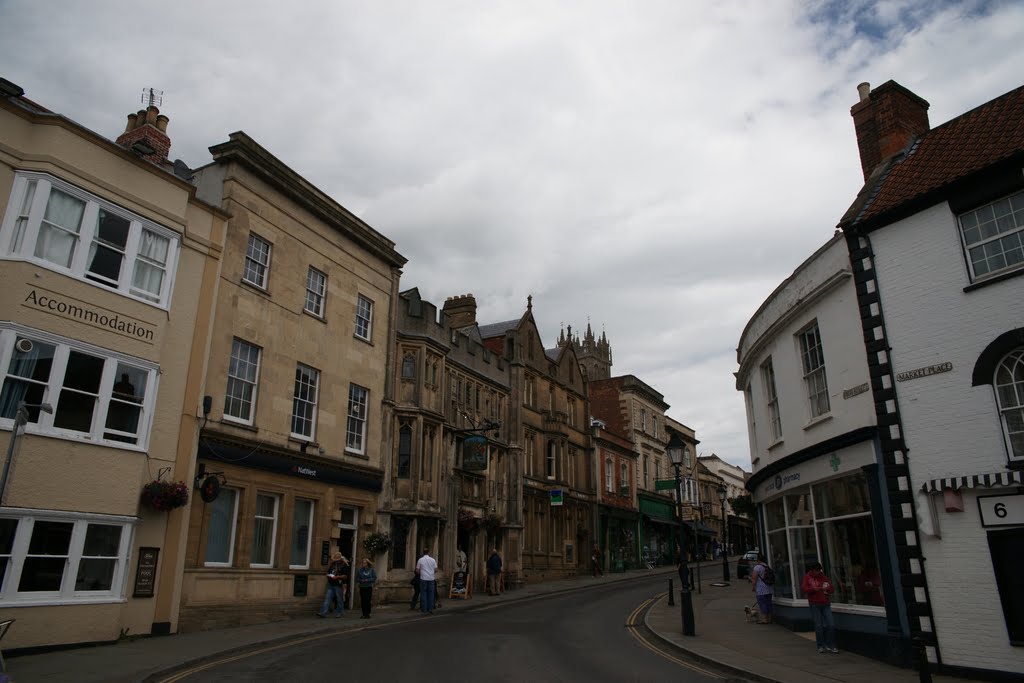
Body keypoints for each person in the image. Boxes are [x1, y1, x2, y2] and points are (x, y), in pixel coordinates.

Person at [801, 561, 838, 653]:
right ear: (812, 570)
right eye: (816, 570)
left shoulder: (824, 578)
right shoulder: (807, 577)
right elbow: (804, 589)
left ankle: (831, 645)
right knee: (819, 626)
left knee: (831, 625)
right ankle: (821, 645)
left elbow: (832, 589)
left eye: (819, 570)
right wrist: (813, 589)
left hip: (825, 603)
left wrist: (827, 588)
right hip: (814, 604)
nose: (818, 572)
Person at [317, 551, 349, 618]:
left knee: (339, 599)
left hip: (339, 584)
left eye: (337, 560)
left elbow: (345, 576)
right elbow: (328, 572)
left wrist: (337, 577)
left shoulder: (344, 565)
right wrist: (329, 575)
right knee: (327, 598)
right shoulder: (333, 564)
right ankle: (323, 612)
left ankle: (340, 612)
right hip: (331, 583)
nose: (336, 561)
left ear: (340, 559)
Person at [750, 553, 773, 624]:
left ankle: (764, 620)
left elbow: (754, 578)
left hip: (761, 590)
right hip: (769, 589)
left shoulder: (757, 567)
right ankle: (769, 619)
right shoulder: (767, 566)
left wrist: (753, 587)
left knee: (762, 604)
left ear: (758, 560)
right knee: (768, 603)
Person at [416, 547, 438, 614]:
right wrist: (431, 572)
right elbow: (436, 570)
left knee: (423, 594)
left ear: (423, 552)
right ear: (429, 552)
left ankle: (424, 609)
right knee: (431, 594)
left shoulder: (420, 560)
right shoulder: (433, 560)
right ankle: (430, 609)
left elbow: (417, 570)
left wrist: (422, 572)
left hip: (423, 579)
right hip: (431, 579)